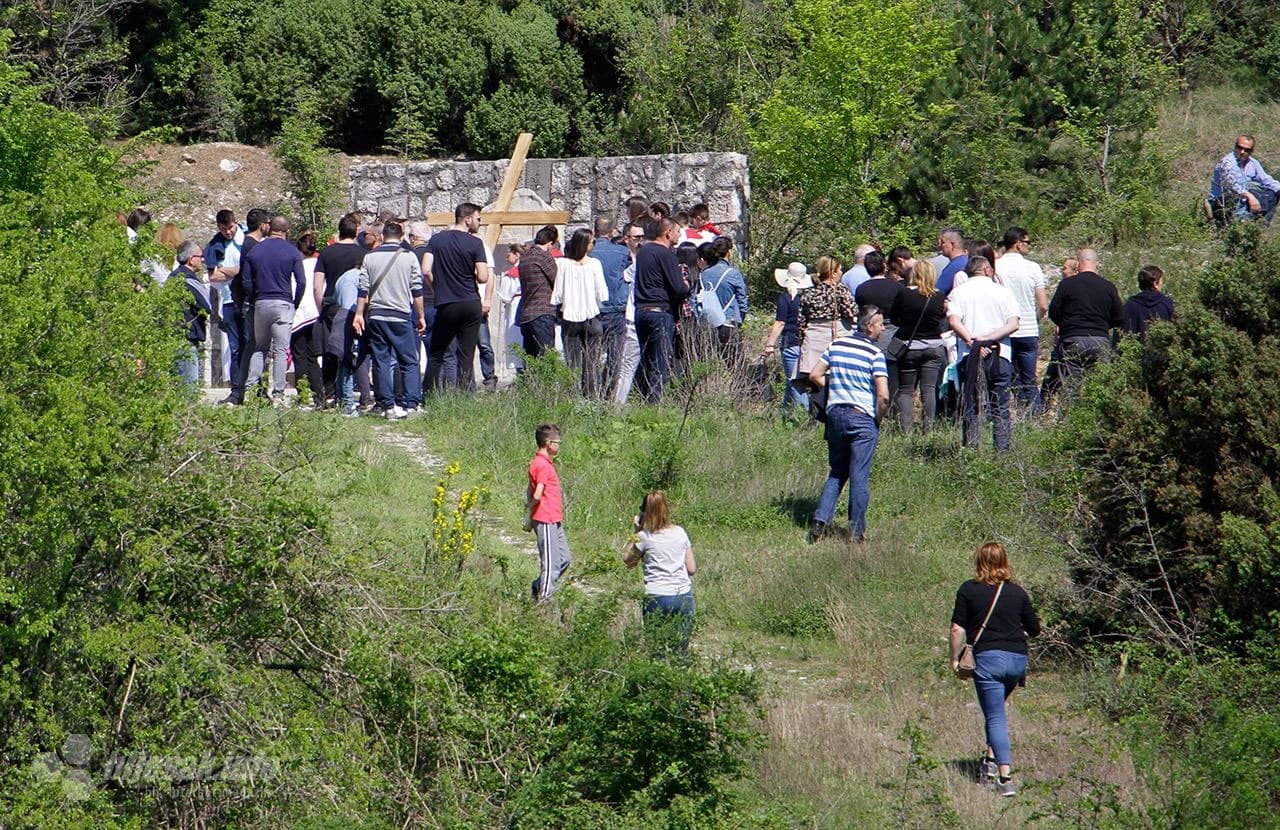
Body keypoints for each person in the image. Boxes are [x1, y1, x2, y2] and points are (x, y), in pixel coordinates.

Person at [949, 541, 1041, 798]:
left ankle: (1004, 777)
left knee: (995, 717)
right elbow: (1034, 629)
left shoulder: (969, 590)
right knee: (996, 710)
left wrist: (954, 660)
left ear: (979, 560)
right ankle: (988, 765)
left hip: (989, 661)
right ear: (1004, 561)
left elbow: (957, 629)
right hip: (1016, 661)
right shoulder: (1018, 592)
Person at [807, 305, 890, 544]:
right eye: (881, 324)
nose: (883, 329)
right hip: (862, 417)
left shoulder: (837, 345)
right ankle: (855, 533)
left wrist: (834, 390)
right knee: (859, 476)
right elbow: (883, 395)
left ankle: (820, 521)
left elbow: (814, 375)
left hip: (836, 415)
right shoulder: (875, 354)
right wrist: (878, 418)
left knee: (837, 472)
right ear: (869, 326)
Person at [353, 220, 426, 419]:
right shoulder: (409, 256)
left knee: (381, 360)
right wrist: (420, 316)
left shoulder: (370, 257)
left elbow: (363, 289)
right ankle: (411, 404)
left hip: (376, 315)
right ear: (401, 237)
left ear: (383, 236)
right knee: (409, 361)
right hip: (401, 315)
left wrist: (359, 314)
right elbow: (417, 290)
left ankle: (387, 406)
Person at [947, 256, 1020, 451]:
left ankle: (972, 450)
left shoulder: (958, 293)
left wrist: (973, 341)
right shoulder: (1003, 292)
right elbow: (1013, 324)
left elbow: (954, 322)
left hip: (968, 355)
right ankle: (1002, 452)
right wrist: (990, 339)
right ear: (987, 270)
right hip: (1000, 353)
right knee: (1000, 406)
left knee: (971, 404)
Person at [240, 215, 307, 406]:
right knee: (279, 350)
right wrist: (295, 302)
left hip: (261, 302)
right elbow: (301, 282)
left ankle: (251, 390)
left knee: (259, 348)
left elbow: (246, 281)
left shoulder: (255, 250)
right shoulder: (292, 252)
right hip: (283, 303)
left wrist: (255, 297)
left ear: (270, 229)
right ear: (287, 231)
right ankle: (278, 393)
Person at [424, 203, 490, 392]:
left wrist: (437, 288)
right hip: (470, 302)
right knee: (466, 354)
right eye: (478, 218)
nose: (480, 222)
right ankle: (465, 396)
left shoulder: (436, 240)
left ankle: (429, 395)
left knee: (437, 352)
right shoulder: (475, 243)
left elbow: (425, 269)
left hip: (446, 303)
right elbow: (483, 276)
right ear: (467, 219)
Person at [623, 491, 697, 655]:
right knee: (681, 649)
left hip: (657, 596)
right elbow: (692, 569)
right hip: (683, 595)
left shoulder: (644, 537)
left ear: (645, 512)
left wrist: (636, 532)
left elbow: (628, 561)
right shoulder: (680, 532)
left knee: (657, 649)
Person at [1046, 248, 1123, 386]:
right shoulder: (1108, 287)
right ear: (1097, 263)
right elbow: (1118, 317)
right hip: (1099, 339)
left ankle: (1073, 407)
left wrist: (1067, 325)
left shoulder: (1067, 284)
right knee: (1098, 387)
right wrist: (1102, 326)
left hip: (1073, 338)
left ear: (1079, 263)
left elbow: (1053, 311)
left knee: (1072, 387)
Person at [633, 217, 690, 402]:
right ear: (668, 233)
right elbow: (679, 289)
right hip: (660, 312)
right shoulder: (666, 254)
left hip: (641, 311)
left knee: (646, 360)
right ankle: (654, 406)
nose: (680, 235)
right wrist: (687, 284)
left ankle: (641, 399)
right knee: (660, 363)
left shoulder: (643, 251)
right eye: (678, 231)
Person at [314, 212, 366, 406]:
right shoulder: (362, 254)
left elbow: (317, 284)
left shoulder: (327, 252)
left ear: (339, 231)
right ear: (356, 231)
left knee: (330, 349)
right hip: (354, 306)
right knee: (355, 350)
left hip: (331, 304)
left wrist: (321, 307)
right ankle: (359, 392)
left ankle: (329, 394)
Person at [890, 260, 948, 433]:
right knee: (929, 390)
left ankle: (906, 430)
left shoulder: (905, 294)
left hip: (911, 346)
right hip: (934, 346)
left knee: (907, 390)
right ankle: (928, 429)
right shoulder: (939, 296)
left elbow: (894, 317)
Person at [995, 227, 1048, 412]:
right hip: (1028, 330)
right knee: (1030, 380)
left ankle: (1012, 415)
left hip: (1003, 330)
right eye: (1027, 242)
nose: (1029, 247)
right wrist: (1033, 321)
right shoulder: (1032, 267)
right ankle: (1035, 417)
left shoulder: (996, 266)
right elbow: (1043, 305)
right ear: (1018, 244)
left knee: (1007, 379)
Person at [552, 228, 610, 398]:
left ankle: (571, 397)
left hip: (569, 316)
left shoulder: (562, 264)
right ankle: (591, 397)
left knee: (572, 362)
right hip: (591, 316)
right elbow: (602, 293)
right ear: (586, 244)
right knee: (592, 363)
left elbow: (559, 294)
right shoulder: (594, 264)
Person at [525, 423, 571, 602]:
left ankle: (539, 585)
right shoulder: (541, 465)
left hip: (554, 518)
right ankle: (544, 603)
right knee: (551, 564)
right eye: (557, 442)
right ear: (548, 443)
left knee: (565, 558)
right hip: (544, 518)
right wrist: (531, 507)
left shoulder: (544, 463)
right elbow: (537, 493)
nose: (559, 445)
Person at [796, 256, 857, 389]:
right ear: (833, 272)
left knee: (814, 378)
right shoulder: (841, 290)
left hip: (813, 337)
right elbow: (852, 312)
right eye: (840, 270)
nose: (841, 273)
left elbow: (801, 320)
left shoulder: (809, 292)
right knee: (837, 375)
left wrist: (802, 339)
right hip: (836, 335)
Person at [590, 216, 632, 398]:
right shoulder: (622, 253)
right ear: (613, 232)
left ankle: (591, 392)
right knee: (615, 355)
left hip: (593, 309)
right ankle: (609, 393)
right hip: (616, 308)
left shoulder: (587, 253)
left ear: (594, 232)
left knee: (591, 354)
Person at [762, 262, 813, 412]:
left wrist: (769, 344)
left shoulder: (786, 298)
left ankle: (802, 415)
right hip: (808, 342)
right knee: (796, 379)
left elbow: (780, 323)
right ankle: (786, 413)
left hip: (791, 341)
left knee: (794, 381)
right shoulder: (810, 298)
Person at [205, 209, 246, 385]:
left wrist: (227, 271)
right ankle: (237, 386)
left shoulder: (247, 238)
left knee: (251, 344)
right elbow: (213, 276)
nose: (228, 232)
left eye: (230, 228)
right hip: (229, 299)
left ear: (235, 222)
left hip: (248, 299)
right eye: (223, 229)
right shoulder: (215, 245)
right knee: (235, 347)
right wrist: (239, 270)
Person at [696, 236, 749, 362]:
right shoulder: (733, 273)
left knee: (710, 365)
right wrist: (740, 320)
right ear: (729, 252)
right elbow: (742, 301)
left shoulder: (703, 274)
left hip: (708, 324)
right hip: (729, 322)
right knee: (735, 366)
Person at [1207, 134, 1280, 225]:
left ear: (1252, 151)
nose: (1242, 151)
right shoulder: (1227, 163)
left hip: (1242, 198)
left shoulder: (1252, 163)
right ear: (1235, 146)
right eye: (1239, 147)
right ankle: (1240, 223)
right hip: (1223, 200)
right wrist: (1250, 197)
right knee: (1239, 197)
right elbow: (1232, 186)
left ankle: (1260, 227)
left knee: (1272, 194)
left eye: (1246, 150)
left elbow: (1266, 180)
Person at [290, 231, 325, 407]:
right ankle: (319, 395)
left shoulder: (296, 266)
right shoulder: (320, 265)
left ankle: (302, 395)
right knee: (313, 357)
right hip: (317, 314)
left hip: (299, 314)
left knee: (299, 356)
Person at [170, 240, 211, 386]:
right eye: (200, 256)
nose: (203, 260)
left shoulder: (172, 277)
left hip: (172, 335)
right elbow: (207, 305)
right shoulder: (189, 280)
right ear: (191, 259)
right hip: (187, 337)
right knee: (189, 388)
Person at [518, 226, 559, 359]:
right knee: (546, 357)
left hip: (526, 313)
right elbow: (557, 281)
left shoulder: (524, 258)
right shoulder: (543, 256)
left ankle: (531, 381)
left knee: (531, 359)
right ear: (550, 243)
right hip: (543, 311)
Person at [1122, 265, 1174, 338]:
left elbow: (1123, 332)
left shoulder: (1130, 304)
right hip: (1161, 347)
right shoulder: (1167, 303)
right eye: (1161, 281)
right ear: (1155, 283)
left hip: (1135, 347)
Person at [935, 228, 969, 296]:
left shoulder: (954, 266)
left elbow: (938, 292)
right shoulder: (968, 260)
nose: (940, 245)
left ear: (953, 245)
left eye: (943, 242)